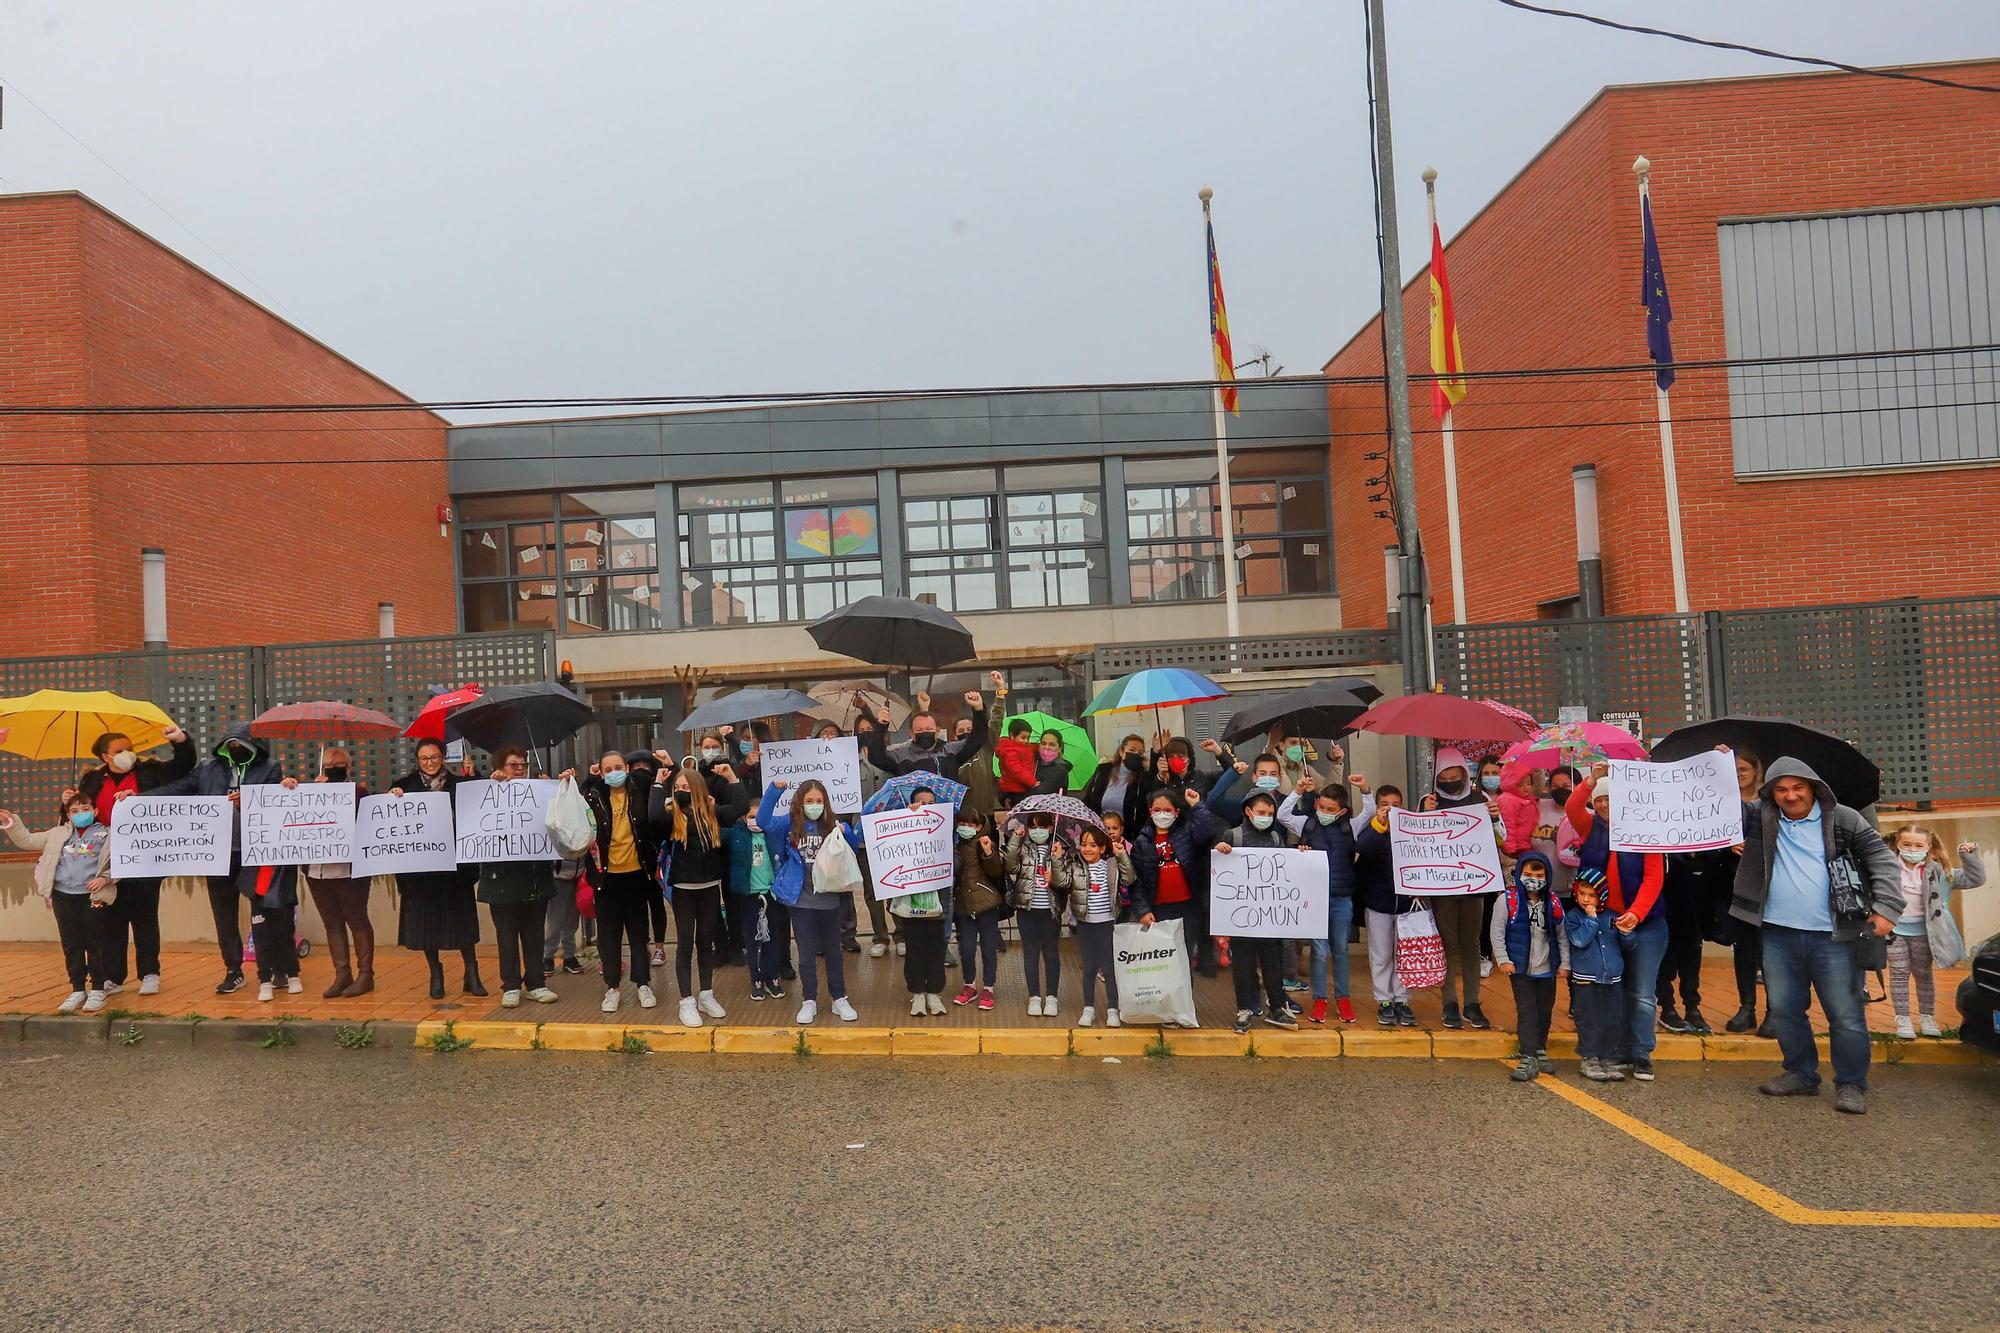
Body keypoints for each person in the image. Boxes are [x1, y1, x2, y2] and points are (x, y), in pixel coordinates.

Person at [1733, 758, 1900, 1115]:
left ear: (1813, 787)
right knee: (1785, 1010)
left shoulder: (1843, 818)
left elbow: (1882, 860)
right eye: (1781, 789)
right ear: (1770, 793)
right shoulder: (1759, 818)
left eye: (1798, 788)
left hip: (1835, 937)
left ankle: (1852, 1084)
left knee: (1845, 1014)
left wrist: (1886, 908)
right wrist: (1717, 765)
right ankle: (1800, 1074)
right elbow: (1713, 808)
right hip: (1778, 934)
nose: (1791, 796)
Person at [152, 723, 299, 996]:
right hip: (217, 853)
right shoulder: (208, 769)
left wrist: (250, 803)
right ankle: (233, 970)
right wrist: (136, 799)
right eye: (230, 744)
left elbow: (275, 802)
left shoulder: (269, 768)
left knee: (267, 912)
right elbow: (178, 788)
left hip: (256, 853)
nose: (235, 749)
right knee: (224, 915)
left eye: (241, 745)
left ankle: (277, 967)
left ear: (255, 747)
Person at [72, 724, 194, 994]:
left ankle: (149, 972)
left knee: (145, 917)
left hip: (143, 855)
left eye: (130, 748)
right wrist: (69, 803)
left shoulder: (150, 772)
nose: (128, 754)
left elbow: (184, 765)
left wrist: (181, 741)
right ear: (106, 756)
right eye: (120, 750)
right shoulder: (92, 780)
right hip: (106, 860)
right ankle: (114, 977)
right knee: (111, 920)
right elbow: (79, 814)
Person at [1565, 765, 1668, 1080]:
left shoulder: (1645, 827)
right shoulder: (1589, 826)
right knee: (1612, 989)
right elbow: (1572, 806)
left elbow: (1654, 877)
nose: (1605, 805)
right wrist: (1591, 781)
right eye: (1599, 801)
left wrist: (1635, 913)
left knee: (1641, 992)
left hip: (1645, 922)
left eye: (1610, 799)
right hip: (1604, 924)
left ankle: (1641, 1053)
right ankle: (1616, 1050)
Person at [652, 759, 749, 1027]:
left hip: (709, 886)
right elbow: (653, 817)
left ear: (697, 787)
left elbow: (740, 806)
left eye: (687, 786)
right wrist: (659, 784)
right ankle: (686, 1001)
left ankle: (706, 994)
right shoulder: (672, 814)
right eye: (678, 786)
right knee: (685, 942)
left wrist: (732, 777)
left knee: (706, 941)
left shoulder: (711, 811)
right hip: (683, 889)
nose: (682, 790)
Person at [0, 793, 118, 1013]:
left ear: (94, 811)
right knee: (71, 943)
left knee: (96, 941)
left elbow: (121, 861)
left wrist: (105, 878)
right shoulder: (56, 834)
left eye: (85, 809)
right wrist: (11, 822)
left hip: (93, 897)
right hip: (63, 896)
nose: (80, 814)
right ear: (67, 814)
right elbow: (26, 840)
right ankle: (77, 989)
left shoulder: (108, 834)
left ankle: (98, 989)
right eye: (74, 811)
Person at [387, 739, 485, 1000]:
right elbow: (389, 820)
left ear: (443, 758)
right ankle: (436, 973)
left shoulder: (460, 784)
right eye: (424, 758)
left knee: (463, 923)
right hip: (421, 873)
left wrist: (473, 775)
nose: (430, 763)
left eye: (434, 757)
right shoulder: (403, 786)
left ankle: (471, 973)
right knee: (426, 926)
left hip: (455, 870)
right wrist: (392, 798)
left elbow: (483, 804)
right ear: (417, 761)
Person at [759, 778, 862, 1025]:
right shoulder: (790, 823)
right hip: (800, 899)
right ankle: (809, 1000)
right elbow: (763, 822)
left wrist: (848, 834)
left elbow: (854, 849)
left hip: (829, 899)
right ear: (800, 802)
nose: (814, 805)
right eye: (809, 801)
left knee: (833, 951)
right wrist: (774, 792)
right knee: (805, 954)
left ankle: (839, 998)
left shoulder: (832, 824)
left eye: (819, 801)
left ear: (825, 803)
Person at [1281, 776, 1373, 1024]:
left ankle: (1343, 998)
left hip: (1341, 899)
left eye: (1330, 810)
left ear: (1341, 811)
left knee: (1341, 950)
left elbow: (1370, 812)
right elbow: (1283, 815)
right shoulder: (1307, 825)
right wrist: (1297, 792)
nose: (1323, 812)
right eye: (1321, 807)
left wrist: (1365, 789)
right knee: (1319, 951)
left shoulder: (1350, 827)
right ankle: (1319, 999)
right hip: (1314, 900)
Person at [477, 746, 559, 1009]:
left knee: (535, 933)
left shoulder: (539, 792)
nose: (521, 769)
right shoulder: (488, 793)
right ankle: (510, 985)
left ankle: (536, 983)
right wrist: (490, 786)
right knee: (506, 934)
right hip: (500, 879)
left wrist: (553, 791)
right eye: (514, 764)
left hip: (535, 876)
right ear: (500, 768)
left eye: (523, 764)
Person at [1883, 825, 1984, 1040]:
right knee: (1899, 974)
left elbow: (1975, 879)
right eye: (1907, 844)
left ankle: (1927, 1018)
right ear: (1898, 845)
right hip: (1894, 930)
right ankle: (1903, 1020)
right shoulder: (1887, 867)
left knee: (1923, 974)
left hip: (1924, 932)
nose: (1912, 849)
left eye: (1918, 845)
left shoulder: (1939, 871)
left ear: (1928, 847)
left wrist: (1969, 855)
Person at [579, 750, 659, 1014]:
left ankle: (642, 983)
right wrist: (585, 781)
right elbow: (575, 809)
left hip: (637, 874)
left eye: (618, 767)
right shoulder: (594, 795)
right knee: (608, 936)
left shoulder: (640, 788)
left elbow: (660, 782)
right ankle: (612, 987)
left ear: (627, 768)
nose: (614, 772)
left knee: (638, 933)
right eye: (608, 769)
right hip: (606, 877)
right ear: (601, 772)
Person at [1213, 789, 1299, 1034]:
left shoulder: (1274, 838)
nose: (1266, 817)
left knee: (1274, 964)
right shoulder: (1233, 835)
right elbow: (1219, 870)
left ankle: (1277, 1007)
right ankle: (1244, 1008)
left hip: (1268, 919)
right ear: (1248, 812)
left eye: (1270, 813)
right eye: (1261, 812)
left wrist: (1300, 855)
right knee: (1243, 966)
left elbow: (1286, 870)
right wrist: (1220, 849)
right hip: (1241, 919)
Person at [1422, 747, 1495, 1030]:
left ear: (1465, 774)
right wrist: (1425, 814)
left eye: (1456, 776)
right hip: (1442, 889)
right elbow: (1417, 843)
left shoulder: (1482, 799)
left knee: (1471, 943)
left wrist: (1495, 817)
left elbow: (1501, 839)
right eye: (1445, 777)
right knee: (1447, 945)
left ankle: (1473, 1002)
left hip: (1474, 886)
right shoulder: (1428, 801)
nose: (1451, 781)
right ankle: (1449, 1001)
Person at [1129, 787, 1227, 979]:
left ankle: (1185, 1006)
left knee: (1185, 957)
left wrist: (1197, 806)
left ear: (1176, 812)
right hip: (1158, 910)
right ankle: (1166, 1006)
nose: (1162, 814)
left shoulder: (1186, 832)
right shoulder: (1142, 841)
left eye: (1167, 810)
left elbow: (1207, 831)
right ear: (1150, 811)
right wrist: (1142, 910)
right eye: (1157, 810)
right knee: (1163, 961)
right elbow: (1136, 881)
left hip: (1188, 908)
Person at [304, 747, 376, 998]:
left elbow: (362, 816)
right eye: (329, 765)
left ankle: (365, 974)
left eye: (339, 765)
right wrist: (314, 793)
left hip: (349, 869)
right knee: (332, 923)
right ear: (321, 769)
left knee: (357, 919)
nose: (334, 769)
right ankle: (341, 973)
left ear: (348, 767)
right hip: (317, 870)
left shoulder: (359, 792)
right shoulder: (310, 793)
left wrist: (334, 794)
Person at [1493, 852, 1569, 1081]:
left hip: (1547, 967)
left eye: (1538, 874)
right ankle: (1528, 1056)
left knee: (1544, 1010)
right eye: (1527, 874)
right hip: (1521, 968)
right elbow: (1497, 932)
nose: (1533, 879)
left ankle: (1539, 1049)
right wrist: (1503, 959)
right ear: (1519, 875)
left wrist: (1565, 963)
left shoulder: (1553, 902)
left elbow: (1562, 935)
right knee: (1527, 1012)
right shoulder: (1507, 901)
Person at [1715, 748, 1769, 1035]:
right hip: (1734, 885)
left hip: (1767, 887)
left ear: (1756, 771)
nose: (1737, 776)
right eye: (1732, 770)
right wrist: (1727, 847)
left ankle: (1775, 1010)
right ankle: (1746, 1006)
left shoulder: (1772, 800)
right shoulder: (1720, 801)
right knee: (1743, 948)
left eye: (1742, 770)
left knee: (1769, 949)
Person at [1353, 784, 1416, 1027]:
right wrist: (1379, 825)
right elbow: (1362, 848)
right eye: (1385, 805)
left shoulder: (1411, 829)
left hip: (1406, 905)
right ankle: (1384, 1001)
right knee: (1381, 955)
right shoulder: (1372, 829)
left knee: (1404, 954)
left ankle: (1402, 999)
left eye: (1396, 805)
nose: (1391, 809)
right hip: (1378, 903)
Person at [1005, 811, 1071, 1017]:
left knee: (1051, 953)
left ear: (1051, 828)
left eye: (1042, 827)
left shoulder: (1060, 850)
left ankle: (1051, 997)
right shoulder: (1024, 848)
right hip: (1027, 910)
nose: (1037, 831)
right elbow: (1010, 865)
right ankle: (1034, 996)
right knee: (1031, 953)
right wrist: (1015, 838)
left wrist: (1057, 863)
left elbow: (1065, 883)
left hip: (1050, 911)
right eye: (1033, 827)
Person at [1067, 825, 1133, 1028]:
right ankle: (1089, 1008)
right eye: (1084, 844)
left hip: (1106, 924)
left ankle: (1113, 1008)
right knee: (1089, 967)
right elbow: (1062, 881)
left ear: (1103, 849)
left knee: (1109, 967)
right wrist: (1057, 859)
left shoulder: (1111, 865)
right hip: (1085, 924)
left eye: (1093, 845)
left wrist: (1122, 857)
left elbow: (1129, 878)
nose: (1087, 849)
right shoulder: (1076, 866)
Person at [1566, 868, 1626, 1082]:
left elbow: (1627, 946)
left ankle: (1607, 1058)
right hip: (1585, 979)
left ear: (1601, 895)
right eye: (1582, 893)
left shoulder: (1612, 916)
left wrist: (1627, 932)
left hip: (1612, 977)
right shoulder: (1573, 917)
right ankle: (1589, 1058)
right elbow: (1579, 940)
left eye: (1592, 895)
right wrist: (1591, 920)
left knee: (1612, 1019)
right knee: (1589, 1020)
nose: (1586, 899)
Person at [951, 810, 1007, 1010]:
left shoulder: (986, 844)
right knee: (966, 949)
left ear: (980, 826)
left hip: (986, 905)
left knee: (988, 949)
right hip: (964, 905)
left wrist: (989, 853)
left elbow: (996, 871)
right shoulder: (955, 845)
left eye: (971, 824)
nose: (966, 827)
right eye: (962, 823)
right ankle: (970, 985)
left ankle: (988, 988)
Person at [1082, 734, 1149, 832]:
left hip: (1127, 833)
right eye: (1132, 750)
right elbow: (1089, 797)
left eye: (1140, 752)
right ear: (1121, 752)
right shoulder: (1103, 770)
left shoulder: (1142, 777)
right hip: (1099, 829)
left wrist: (1156, 753)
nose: (1136, 754)